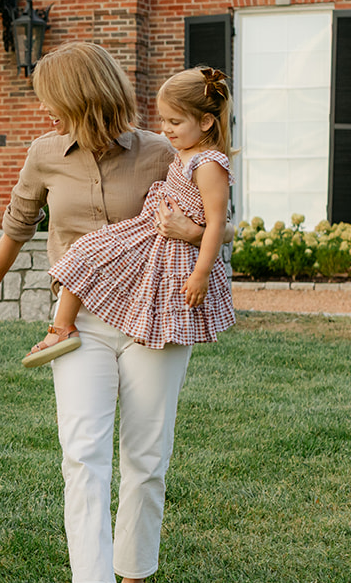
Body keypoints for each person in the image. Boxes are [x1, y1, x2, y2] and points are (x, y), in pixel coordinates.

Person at [0, 42, 221, 583]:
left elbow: (218, 219)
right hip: (79, 321)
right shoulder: (44, 154)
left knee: (147, 452)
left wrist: (192, 234)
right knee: (82, 450)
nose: (46, 113)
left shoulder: (162, 151)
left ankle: (134, 577)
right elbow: (17, 227)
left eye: (53, 101)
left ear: (85, 99)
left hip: (155, 315)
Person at [25, 66, 235, 363]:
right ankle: (62, 328)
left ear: (206, 121)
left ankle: (83, 336)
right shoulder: (183, 150)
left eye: (175, 122)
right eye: (163, 120)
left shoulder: (209, 164)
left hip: (170, 246)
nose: (166, 129)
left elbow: (217, 224)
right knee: (84, 250)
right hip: (151, 229)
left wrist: (200, 274)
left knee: (94, 255)